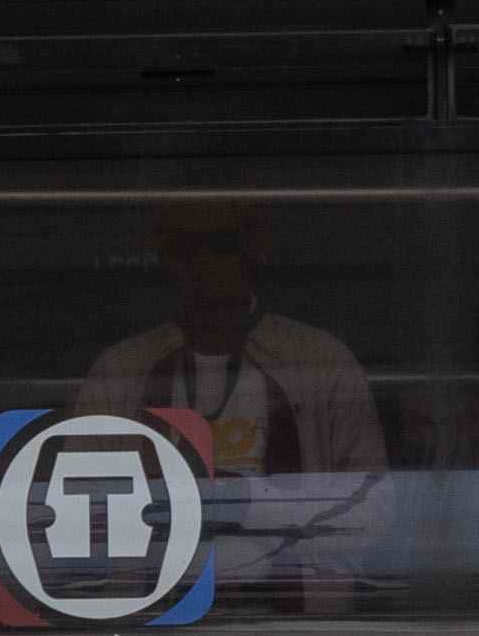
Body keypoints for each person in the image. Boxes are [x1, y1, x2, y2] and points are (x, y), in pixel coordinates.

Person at [77, 200, 386, 477]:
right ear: (166, 258)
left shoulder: (323, 361)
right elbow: (85, 506)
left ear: (253, 249)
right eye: (186, 247)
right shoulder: (117, 371)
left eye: (223, 244)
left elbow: (369, 509)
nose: (205, 262)